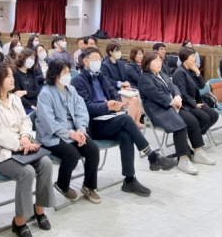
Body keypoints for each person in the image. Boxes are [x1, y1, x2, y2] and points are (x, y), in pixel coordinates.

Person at [72, 48, 177, 196]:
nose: (98, 62)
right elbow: (85, 107)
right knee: (127, 119)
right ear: (86, 61)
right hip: (92, 124)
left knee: (125, 136)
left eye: (99, 58)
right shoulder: (78, 81)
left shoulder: (100, 77)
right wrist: (106, 106)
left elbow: (113, 92)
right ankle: (152, 156)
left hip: (107, 119)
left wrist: (116, 102)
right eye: (94, 58)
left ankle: (129, 180)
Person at [0, 64, 54, 237]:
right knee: (27, 173)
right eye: (8, 76)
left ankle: (39, 210)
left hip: (23, 146)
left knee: (46, 164)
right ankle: (19, 221)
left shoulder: (14, 99)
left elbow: (26, 121)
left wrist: (26, 137)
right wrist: (19, 144)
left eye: (12, 75)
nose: (12, 79)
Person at [138, 51, 215, 175]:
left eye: (160, 60)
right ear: (147, 64)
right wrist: (172, 101)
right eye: (156, 61)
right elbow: (157, 95)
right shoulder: (144, 79)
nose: (160, 63)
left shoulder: (161, 73)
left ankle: (198, 152)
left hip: (172, 106)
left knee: (193, 121)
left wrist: (178, 96)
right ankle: (183, 159)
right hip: (159, 110)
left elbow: (173, 86)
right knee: (180, 125)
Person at [35, 60, 101, 204]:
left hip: (75, 132)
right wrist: (71, 134)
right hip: (52, 135)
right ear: (55, 75)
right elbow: (49, 122)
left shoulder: (71, 90)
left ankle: (89, 186)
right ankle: (62, 185)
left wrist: (81, 131)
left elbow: (81, 112)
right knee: (72, 155)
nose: (67, 75)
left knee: (93, 150)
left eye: (68, 72)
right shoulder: (45, 94)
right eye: (63, 73)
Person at [173, 47, 220, 140]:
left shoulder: (192, 70)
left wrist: (198, 72)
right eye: (193, 56)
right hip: (187, 104)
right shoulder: (179, 73)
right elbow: (182, 93)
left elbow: (202, 86)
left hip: (196, 99)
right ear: (186, 58)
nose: (194, 59)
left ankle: (195, 135)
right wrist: (194, 105)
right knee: (205, 118)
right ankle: (194, 137)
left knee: (214, 116)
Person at [101, 42, 144, 129]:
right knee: (133, 100)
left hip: (123, 89)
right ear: (110, 52)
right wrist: (120, 84)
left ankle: (137, 121)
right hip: (113, 90)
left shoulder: (120, 63)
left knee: (136, 97)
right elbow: (106, 80)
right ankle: (131, 125)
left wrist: (127, 85)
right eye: (116, 50)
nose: (119, 52)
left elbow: (125, 77)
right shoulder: (105, 65)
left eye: (119, 50)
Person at [13, 49, 40, 113]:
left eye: (34, 59)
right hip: (23, 104)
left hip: (35, 102)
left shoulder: (32, 72)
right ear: (23, 57)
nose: (32, 61)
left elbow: (36, 91)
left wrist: (25, 92)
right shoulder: (15, 72)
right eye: (31, 58)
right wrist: (30, 106)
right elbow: (18, 94)